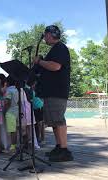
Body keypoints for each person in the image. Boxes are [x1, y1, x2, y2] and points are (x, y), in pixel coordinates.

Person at [32, 25, 73, 162]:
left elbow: (55, 66)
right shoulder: (55, 49)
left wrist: (40, 61)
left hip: (57, 92)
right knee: (54, 121)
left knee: (58, 120)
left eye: (45, 35)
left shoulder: (60, 48)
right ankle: (59, 147)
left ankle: (64, 150)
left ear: (50, 35)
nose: (44, 37)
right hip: (51, 92)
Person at [4, 76, 19, 152]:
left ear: (7, 82)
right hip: (17, 111)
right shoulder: (17, 89)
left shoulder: (8, 90)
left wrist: (5, 111)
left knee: (12, 131)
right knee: (16, 129)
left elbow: (7, 102)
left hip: (10, 112)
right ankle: (15, 145)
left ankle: (13, 146)